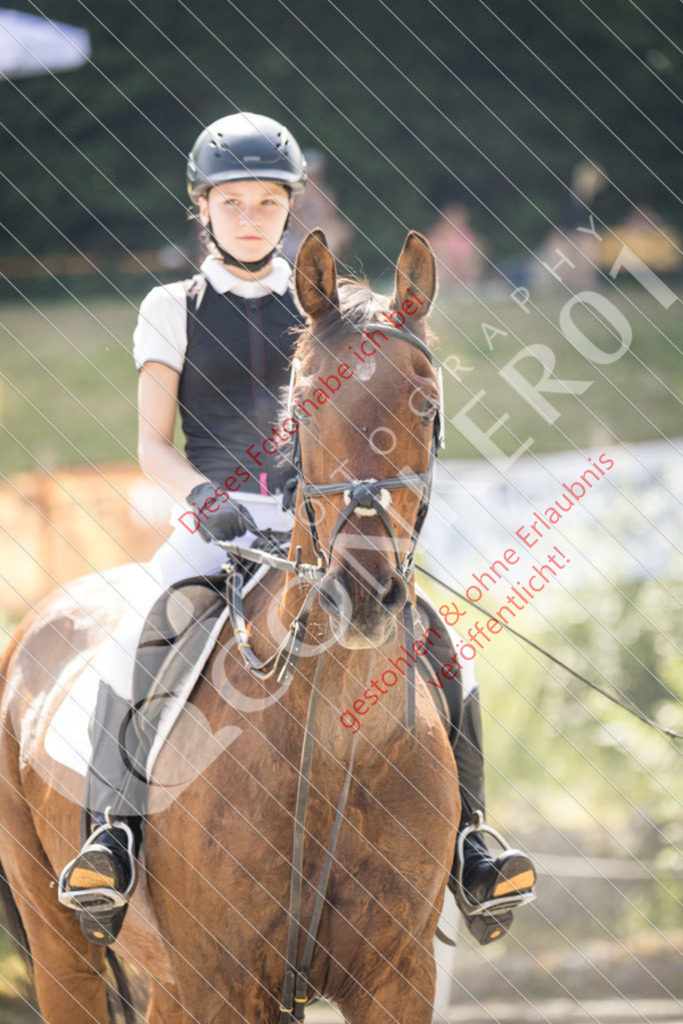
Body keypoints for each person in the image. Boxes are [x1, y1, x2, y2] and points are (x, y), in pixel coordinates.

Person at [58, 112, 535, 946]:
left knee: (435, 644)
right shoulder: (173, 305)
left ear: (291, 210)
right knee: (140, 634)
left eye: (267, 203)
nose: (249, 217)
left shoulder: (324, 305)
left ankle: (471, 845)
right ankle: (114, 837)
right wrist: (207, 499)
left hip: (327, 526)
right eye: (231, 202)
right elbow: (148, 443)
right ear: (201, 208)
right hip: (217, 520)